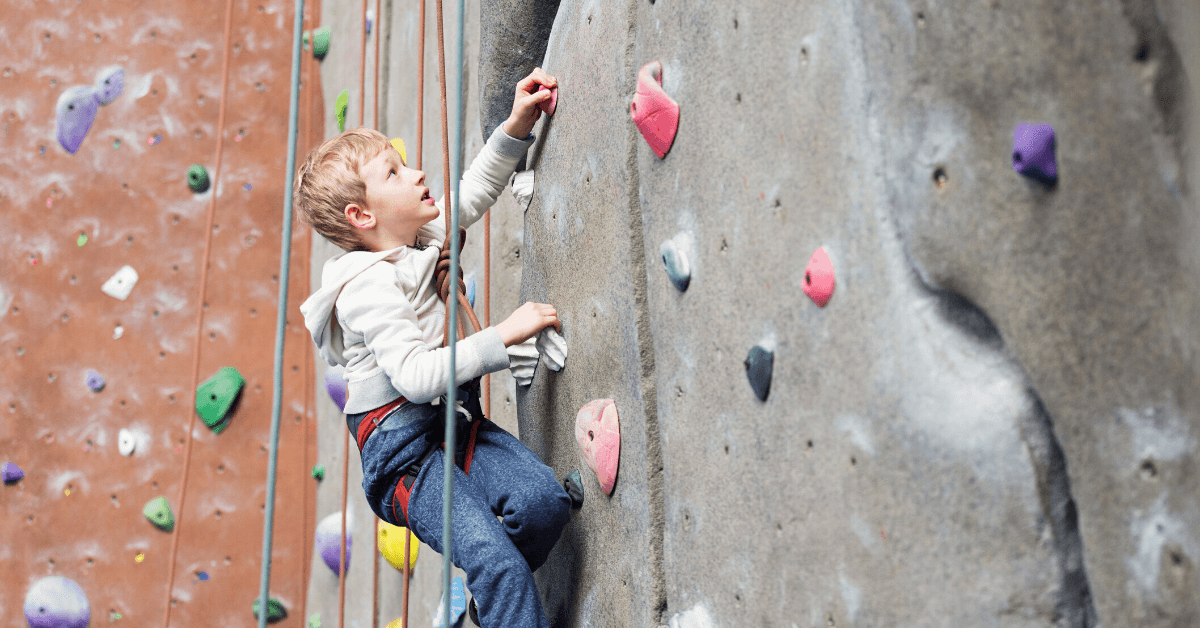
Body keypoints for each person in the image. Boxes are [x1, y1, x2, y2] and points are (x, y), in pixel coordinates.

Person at [297, 68, 570, 628]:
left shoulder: (416, 237)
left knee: (543, 505)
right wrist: (503, 335)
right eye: (394, 173)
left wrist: (518, 123)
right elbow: (417, 378)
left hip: (449, 422)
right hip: (405, 458)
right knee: (497, 564)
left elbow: (475, 189)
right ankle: (500, 591)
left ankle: (494, 602)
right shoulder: (365, 287)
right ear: (363, 216)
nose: (416, 172)